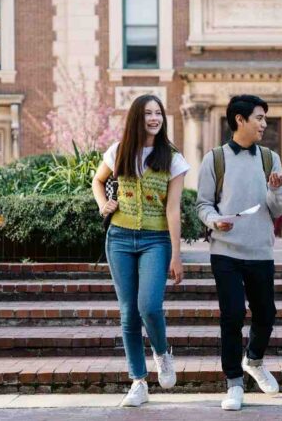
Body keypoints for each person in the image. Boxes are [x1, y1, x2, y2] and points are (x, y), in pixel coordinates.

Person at [91, 94, 189, 408]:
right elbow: (97, 180)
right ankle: (138, 381)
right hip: (119, 238)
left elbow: (173, 210)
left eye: (158, 113)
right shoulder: (118, 151)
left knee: (148, 306)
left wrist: (176, 253)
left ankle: (162, 353)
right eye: (147, 113)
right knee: (128, 312)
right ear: (137, 117)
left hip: (155, 240)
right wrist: (103, 205)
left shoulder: (173, 158)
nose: (154, 118)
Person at [196, 94, 282, 411]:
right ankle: (234, 382)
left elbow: (278, 209)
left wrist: (275, 188)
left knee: (266, 314)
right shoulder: (215, 159)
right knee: (232, 315)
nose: (264, 123)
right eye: (259, 117)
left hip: (261, 251)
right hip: (226, 253)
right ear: (240, 120)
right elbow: (203, 204)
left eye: (264, 118)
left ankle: (255, 360)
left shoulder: (269, 158)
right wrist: (212, 219)